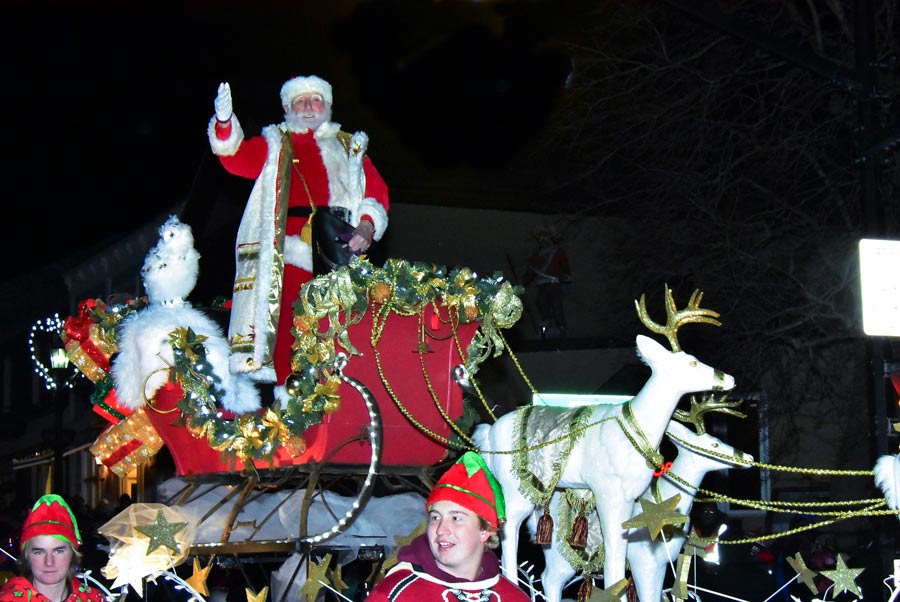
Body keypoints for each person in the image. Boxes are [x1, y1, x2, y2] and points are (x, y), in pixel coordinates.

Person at [208, 75, 390, 404]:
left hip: (340, 251)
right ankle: (289, 402)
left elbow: (376, 192)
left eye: (315, 100)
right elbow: (236, 159)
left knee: (341, 328)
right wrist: (224, 123)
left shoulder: (350, 146)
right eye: (300, 101)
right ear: (287, 108)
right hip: (290, 251)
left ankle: (339, 401)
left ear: (327, 105)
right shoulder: (276, 142)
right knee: (290, 329)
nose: (308, 106)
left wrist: (366, 227)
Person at [365, 452, 530, 601]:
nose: (441, 530)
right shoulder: (394, 594)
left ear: (485, 530)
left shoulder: (514, 597)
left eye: (456, 518)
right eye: (435, 517)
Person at [0, 494, 104, 602]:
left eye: (59, 551)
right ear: (27, 556)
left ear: (72, 554)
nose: (49, 562)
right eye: (39, 552)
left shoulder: (94, 598)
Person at [523, 224, 571, 339]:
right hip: (542, 284)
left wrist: (566, 275)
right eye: (540, 237)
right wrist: (522, 281)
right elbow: (531, 272)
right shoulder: (537, 255)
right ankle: (547, 322)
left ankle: (560, 326)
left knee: (556, 304)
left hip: (554, 283)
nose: (543, 239)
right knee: (541, 302)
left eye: (545, 236)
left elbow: (564, 266)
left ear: (550, 238)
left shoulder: (557, 252)